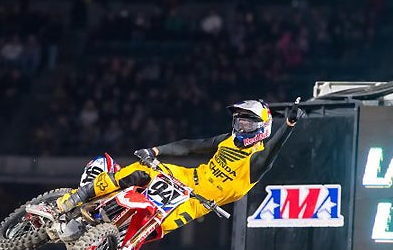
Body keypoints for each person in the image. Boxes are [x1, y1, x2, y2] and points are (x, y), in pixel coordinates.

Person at [56, 98, 304, 236]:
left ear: (262, 130)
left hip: (198, 201)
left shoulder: (256, 161)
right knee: (140, 172)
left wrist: (289, 125)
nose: (241, 129)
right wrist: (155, 151)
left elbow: (273, 151)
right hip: (185, 178)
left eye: (248, 126)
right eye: (239, 122)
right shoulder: (227, 140)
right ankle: (82, 194)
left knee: (156, 225)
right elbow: (191, 146)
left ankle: (105, 245)